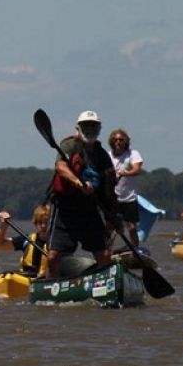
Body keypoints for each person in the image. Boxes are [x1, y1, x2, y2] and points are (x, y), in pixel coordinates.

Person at [46, 110, 119, 279]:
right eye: (86, 126)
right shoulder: (69, 146)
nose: (90, 129)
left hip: (89, 211)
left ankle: (104, 284)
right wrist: (78, 183)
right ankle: (50, 287)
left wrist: (111, 218)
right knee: (53, 256)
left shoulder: (102, 156)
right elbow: (60, 167)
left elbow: (109, 189)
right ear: (78, 128)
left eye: (93, 126)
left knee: (104, 255)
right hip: (64, 210)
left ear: (99, 129)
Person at [107, 129, 144, 249]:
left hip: (129, 198)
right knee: (110, 227)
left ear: (125, 141)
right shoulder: (108, 155)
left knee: (132, 228)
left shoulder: (133, 154)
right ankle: (107, 251)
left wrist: (126, 173)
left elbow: (137, 169)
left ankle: (135, 250)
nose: (118, 142)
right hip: (113, 198)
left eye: (121, 140)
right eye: (116, 139)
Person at [0, 205, 49, 278]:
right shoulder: (27, 240)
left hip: (47, 282)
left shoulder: (60, 243)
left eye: (47, 222)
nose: (43, 226)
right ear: (35, 223)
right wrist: (4, 224)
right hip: (26, 282)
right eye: (40, 222)